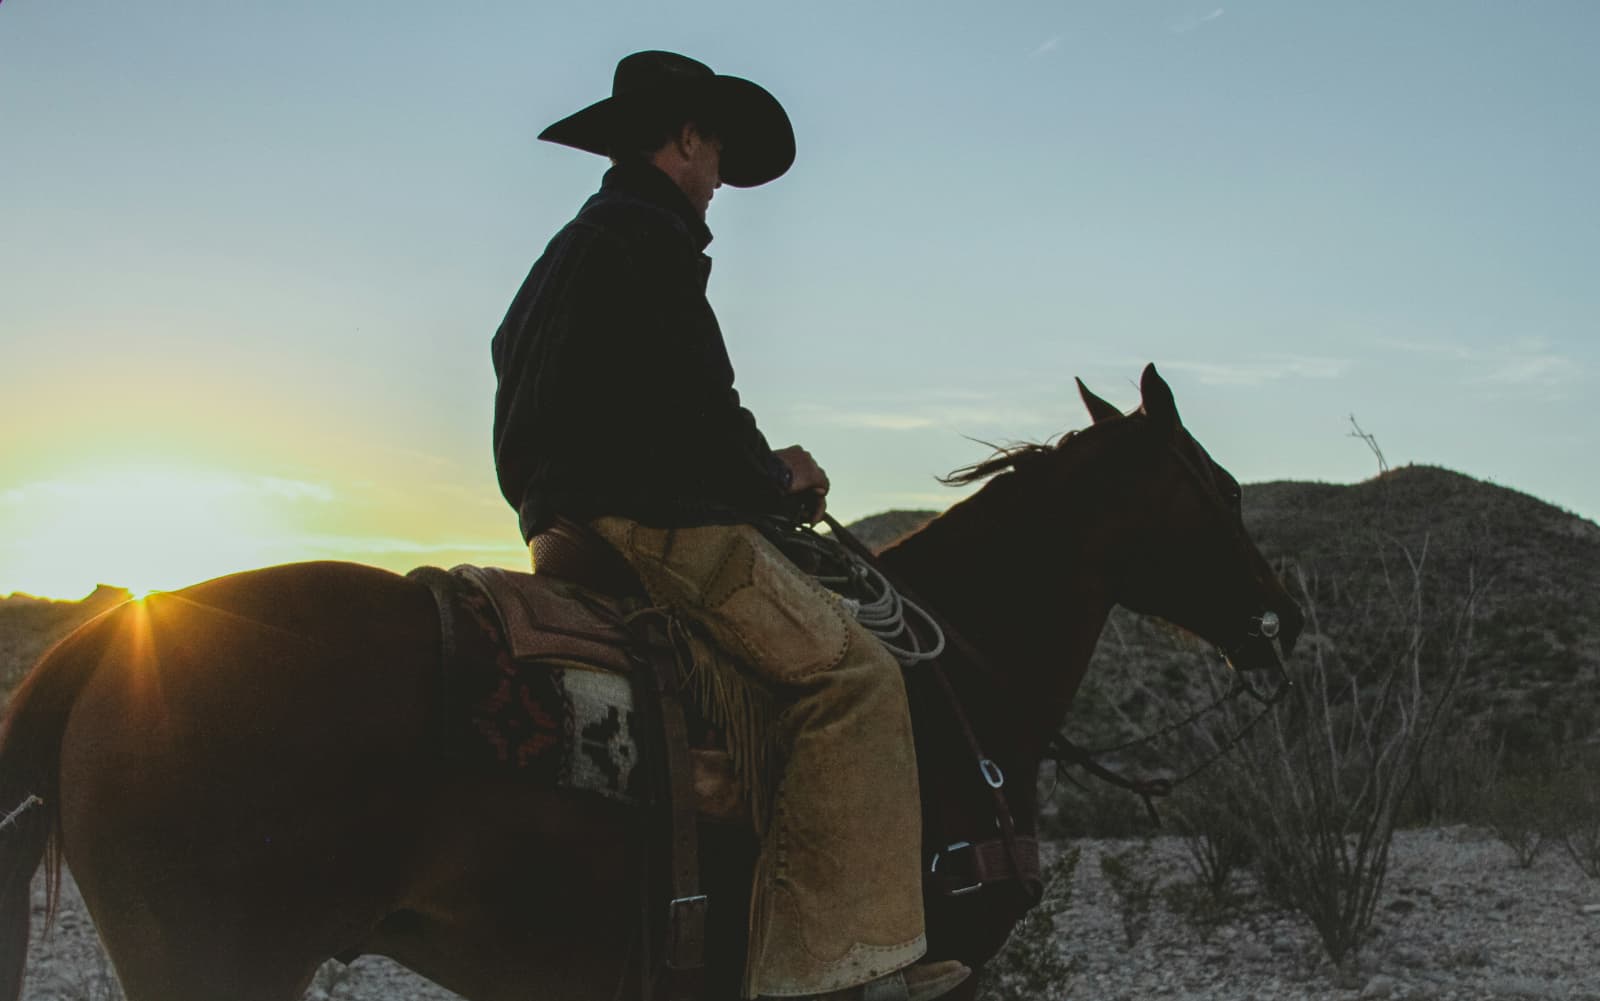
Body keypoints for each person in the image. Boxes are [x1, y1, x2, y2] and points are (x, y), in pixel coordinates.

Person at [490, 50, 969, 1001]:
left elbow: (524, 368)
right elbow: (698, 409)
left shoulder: (571, 249)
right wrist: (774, 474)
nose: (720, 181)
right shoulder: (649, 238)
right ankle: (830, 973)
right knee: (855, 676)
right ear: (687, 139)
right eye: (716, 153)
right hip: (653, 523)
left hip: (560, 522)